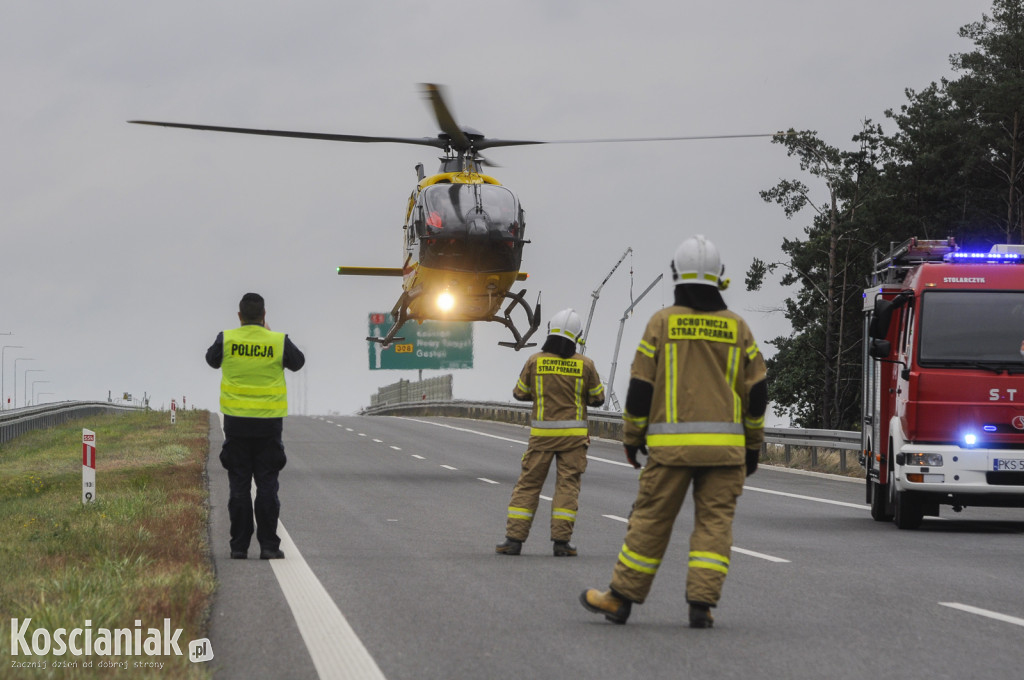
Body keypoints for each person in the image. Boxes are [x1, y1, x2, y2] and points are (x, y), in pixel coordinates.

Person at [580, 235, 767, 627]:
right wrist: (752, 448)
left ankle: (621, 599)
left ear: (676, 277)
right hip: (726, 454)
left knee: (650, 521)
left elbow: (640, 387)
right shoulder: (738, 328)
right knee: (714, 527)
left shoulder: (662, 323)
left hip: (670, 452)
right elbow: (757, 394)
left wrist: (632, 438)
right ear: (720, 279)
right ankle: (702, 606)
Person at [495, 308, 605, 557]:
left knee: (528, 487)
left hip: (541, 439)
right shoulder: (585, 364)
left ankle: (513, 541)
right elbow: (598, 398)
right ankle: (561, 543)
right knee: (567, 488)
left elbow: (519, 393)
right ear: (577, 337)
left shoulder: (535, 361)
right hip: (574, 441)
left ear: (549, 332)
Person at [206, 292, 305, 560]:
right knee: (267, 487)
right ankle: (269, 546)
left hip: (236, 426)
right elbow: (298, 363)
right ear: (264, 316)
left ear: (239, 316)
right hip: (268, 426)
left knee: (238, 487)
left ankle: (238, 547)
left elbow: (211, 360)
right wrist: (269, 333)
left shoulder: (226, 339)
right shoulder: (277, 341)